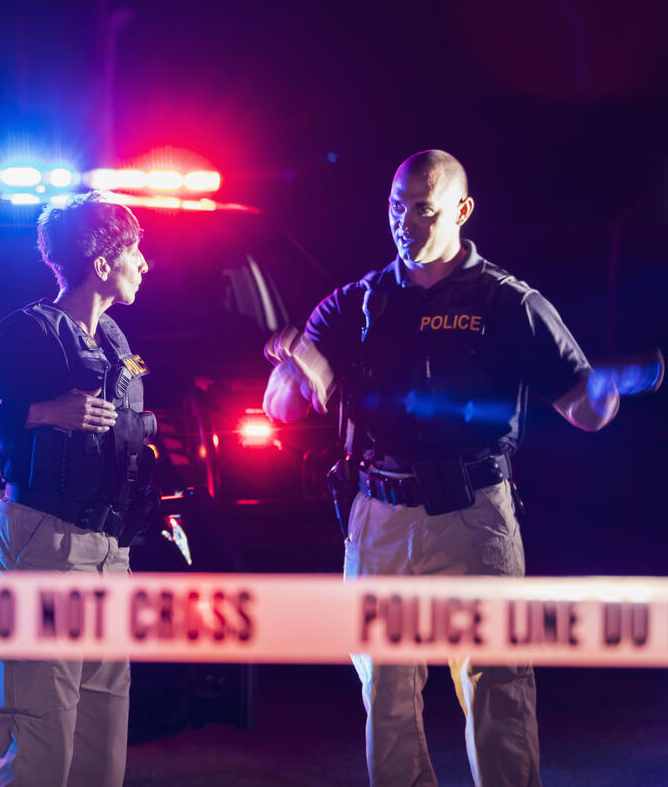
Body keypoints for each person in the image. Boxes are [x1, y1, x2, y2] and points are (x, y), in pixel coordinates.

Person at [263, 149, 620, 787]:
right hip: (378, 516)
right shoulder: (360, 302)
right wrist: (292, 359)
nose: (404, 222)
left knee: (495, 681)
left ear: (461, 210)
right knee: (386, 688)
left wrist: (603, 395)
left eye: (422, 210)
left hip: (473, 516)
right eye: (396, 207)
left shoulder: (508, 301)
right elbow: (282, 406)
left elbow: (585, 410)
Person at [0, 190, 153, 787]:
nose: (145, 262)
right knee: (40, 738)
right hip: (41, 547)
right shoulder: (29, 330)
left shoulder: (114, 341)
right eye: (135, 249)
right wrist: (42, 413)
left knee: (100, 744)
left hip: (107, 554)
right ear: (102, 263)